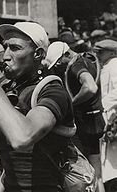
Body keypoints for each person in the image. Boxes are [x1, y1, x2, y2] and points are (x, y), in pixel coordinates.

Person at [0, 21, 76, 192]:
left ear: (38, 54)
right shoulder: (10, 90)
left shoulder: (53, 92)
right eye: (6, 47)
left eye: (15, 48)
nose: (5, 56)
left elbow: (22, 138)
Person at [46, 41, 105, 192]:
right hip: (96, 120)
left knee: (83, 171)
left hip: (86, 123)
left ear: (66, 54)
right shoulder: (87, 59)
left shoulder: (76, 65)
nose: (59, 66)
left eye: (59, 63)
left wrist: (71, 103)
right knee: (96, 172)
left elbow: (90, 87)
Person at [94, 39, 117, 192]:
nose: (98, 55)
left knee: (113, 161)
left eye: (101, 52)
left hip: (112, 114)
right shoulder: (105, 66)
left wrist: (103, 105)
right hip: (107, 116)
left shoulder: (115, 64)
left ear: (112, 52)